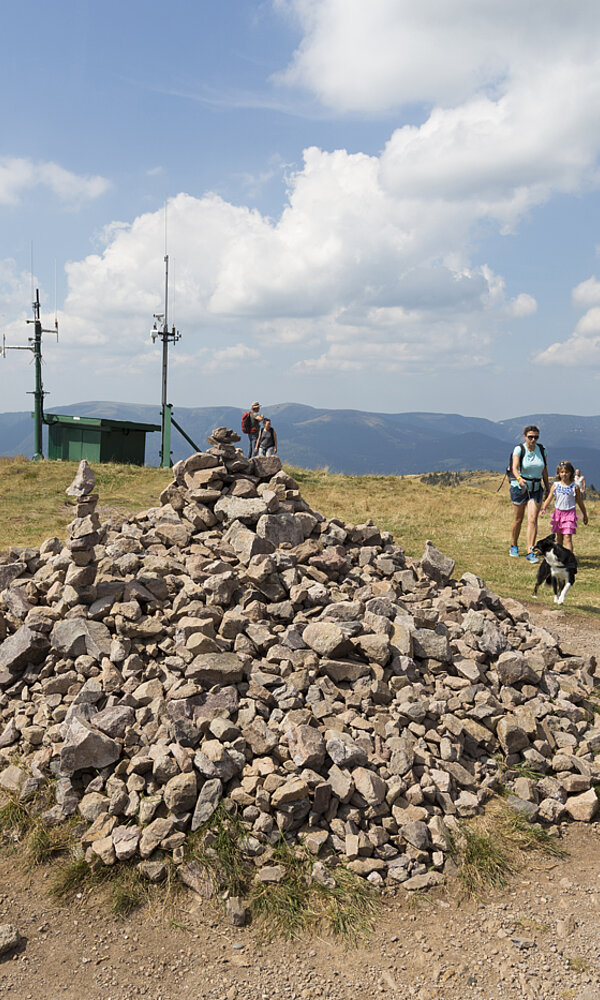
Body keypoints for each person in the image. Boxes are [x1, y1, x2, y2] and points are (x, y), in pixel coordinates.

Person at [509, 425, 550, 563]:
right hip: (520, 488)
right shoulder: (519, 449)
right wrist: (520, 479)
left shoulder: (542, 449)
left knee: (532, 519)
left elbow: (544, 469)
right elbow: (515, 468)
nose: (533, 439)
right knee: (518, 519)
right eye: (530, 437)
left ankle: (530, 551)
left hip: (536, 487)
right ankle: (514, 545)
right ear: (524, 436)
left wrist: (548, 487)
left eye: (536, 437)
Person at [540, 461, 588, 551]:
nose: (564, 474)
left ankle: (569, 560)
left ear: (571, 473)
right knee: (559, 538)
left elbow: (580, 502)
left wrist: (584, 514)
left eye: (566, 472)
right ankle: (560, 557)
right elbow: (549, 498)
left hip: (569, 514)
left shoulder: (575, 487)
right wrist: (544, 508)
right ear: (559, 473)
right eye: (562, 472)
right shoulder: (556, 485)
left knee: (567, 537)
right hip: (558, 513)